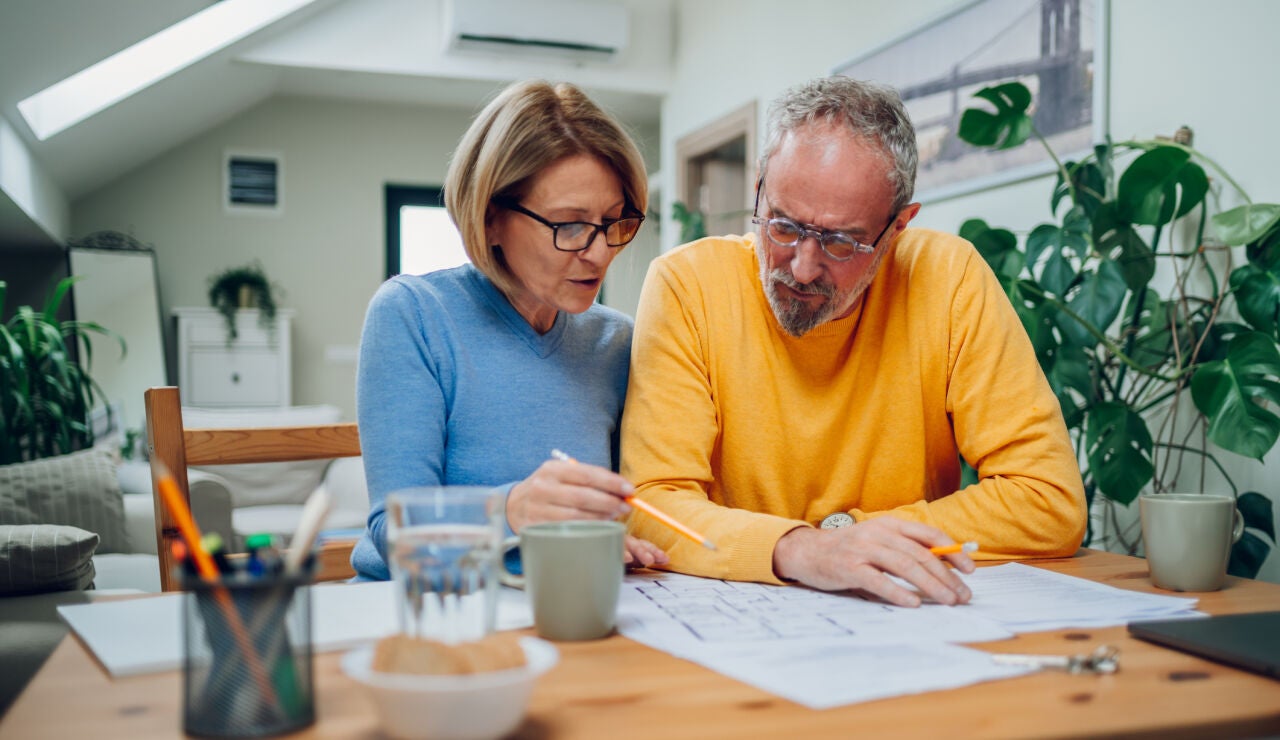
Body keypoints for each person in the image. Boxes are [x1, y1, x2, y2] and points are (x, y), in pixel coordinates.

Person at [620, 76, 1085, 607]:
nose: (801, 266)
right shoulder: (687, 286)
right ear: (759, 191)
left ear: (898, 228)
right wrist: (802, 550)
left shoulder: (949, 279)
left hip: (899, 616)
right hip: (730, 613)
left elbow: (1048, 501)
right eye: (783, 226)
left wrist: (848, 536)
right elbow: (651, 506)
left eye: (841, 243)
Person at [351, 80, 667, 581]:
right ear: (491, 218)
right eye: (569, 225)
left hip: (558, 599)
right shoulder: (413, 315)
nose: (600, 252)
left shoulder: (617, 343)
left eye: (614, 222)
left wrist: (617, 536)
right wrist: (513, 510)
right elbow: (393, 533)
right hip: (427, 609)